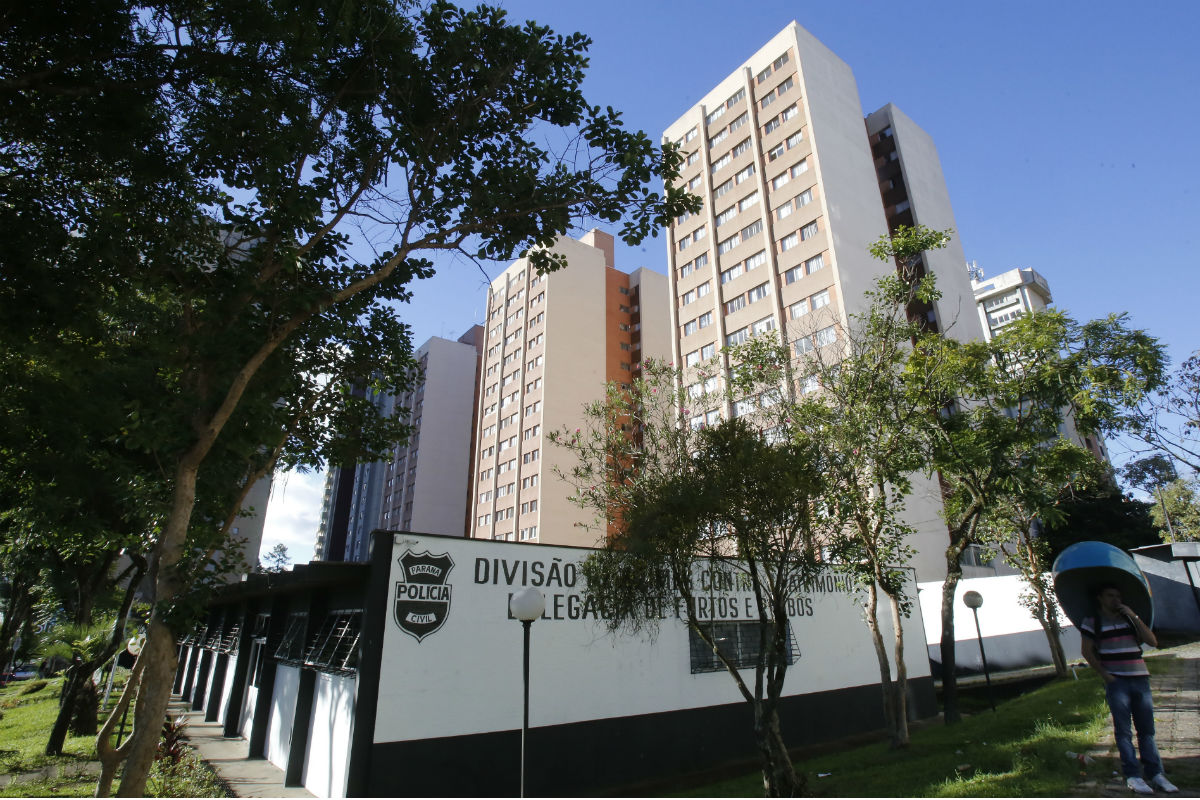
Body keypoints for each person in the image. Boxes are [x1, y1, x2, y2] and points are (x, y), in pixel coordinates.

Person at [1079, 583, 1179, 795]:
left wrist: (1134, 616)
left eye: (1118, 596)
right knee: (1123, 732)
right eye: (1110, 595)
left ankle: (1156, 773)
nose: (1115, 600)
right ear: (1100, 597)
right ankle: (1133, 776)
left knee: (1147, 731)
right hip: (1118, 681)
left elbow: (1153, 642)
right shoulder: (1092, 622)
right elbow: (1087, 651)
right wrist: (1105, 675)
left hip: (1140, 677)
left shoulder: (1129, 619)